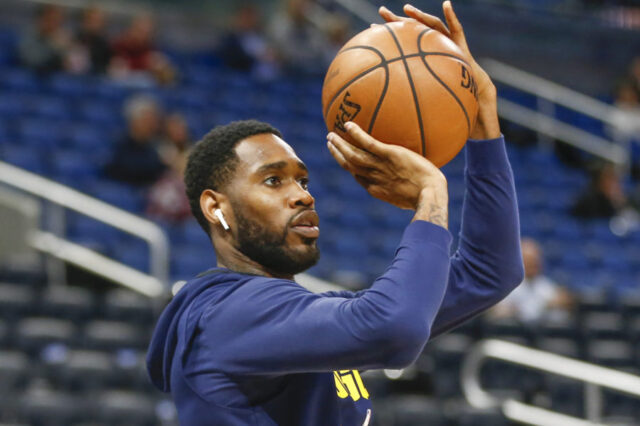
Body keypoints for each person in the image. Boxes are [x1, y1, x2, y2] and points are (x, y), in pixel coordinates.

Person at [146, 3, 524, 425]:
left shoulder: (298, 319)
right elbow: (395, 329)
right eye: (274, 181)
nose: (302, 197)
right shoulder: (225, 316)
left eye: (303, 182)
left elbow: (491, 271)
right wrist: (431, 194)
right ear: (217, 208)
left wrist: (482, 116)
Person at [490, 238, 573, 324]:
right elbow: (497, 309)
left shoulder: (545, 285)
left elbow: (561, 302)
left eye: (535, 261)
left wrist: (560, 302)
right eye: (529, 260)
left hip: (541, 331)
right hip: (514, 331)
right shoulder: (508, 284)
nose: (533, 265)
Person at [104, 95, 166, 186]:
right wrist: (160, 163)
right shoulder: (120, 144)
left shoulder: (155, 145)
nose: (151, 126)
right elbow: (126, 169)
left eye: (153, 121)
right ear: (134, 121)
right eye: (146, 120)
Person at [19, 4, 71, 74]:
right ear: (41, 19)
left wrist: (65, 49)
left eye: (57, 21)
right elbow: (30, 60)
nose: (53, 24)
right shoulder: (29, 34)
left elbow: (71, 64)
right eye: (50, 20)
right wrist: (53, 46)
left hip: (54, 74)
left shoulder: (62, 37)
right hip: (30, 72)